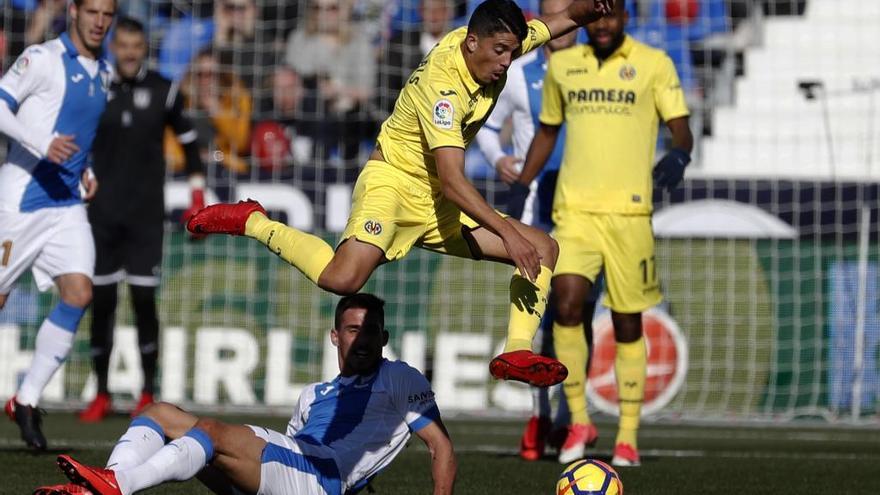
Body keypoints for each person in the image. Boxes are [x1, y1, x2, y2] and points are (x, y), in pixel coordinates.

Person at [188, 0, 615, 389]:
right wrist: (507, 231)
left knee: (543, 248)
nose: (506, 61)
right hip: (394, 183)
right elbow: (453, 180)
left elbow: (558, 22)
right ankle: (253, 221)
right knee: (343, 279)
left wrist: (590, 9)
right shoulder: (443, 90)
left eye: (512, 51)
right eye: (500, 51)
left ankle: (515, 350)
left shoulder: (494, 46)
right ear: (471, 44)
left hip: (436, 198)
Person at [34, 293, 458, 495]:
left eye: (370, 331)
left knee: (214, 431)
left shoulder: (399, 377)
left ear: (383, 337)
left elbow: (441, 448)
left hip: (321, 480)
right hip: (296, 471)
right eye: (352, 329)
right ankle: (97, 490)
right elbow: (286, 453)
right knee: (160, 412)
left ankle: (116, 486)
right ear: (334, 336)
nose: (362, 338)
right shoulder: (313, 394)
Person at [513, 0, 694, 466]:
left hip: (630, 217)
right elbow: (547, 133)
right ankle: (578, 421)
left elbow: (681, 127)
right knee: (567, 307)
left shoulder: (654, 64)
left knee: (626, 322)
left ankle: (628, 435)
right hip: (574, 214)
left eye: (613, 16)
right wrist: (520, 185)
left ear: (626, 18)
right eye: (598, 16)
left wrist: (678, 155)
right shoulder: (566, 67)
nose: (605, 25)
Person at [475, 0, 597, 462]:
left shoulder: (597, 70)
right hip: (537, 207)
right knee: (541, 314)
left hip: (588, 209)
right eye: (554, 9)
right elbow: (483, 125)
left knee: (581, 315)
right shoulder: (518, 72)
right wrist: (499, 159)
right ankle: (540, 414)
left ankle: (570, 417)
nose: (563, 19)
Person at [77, 16, 206, 423]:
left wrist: (198, 197)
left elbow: (189, 144)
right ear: (114, 47)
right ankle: (101, 393)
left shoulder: (164, 90)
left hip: (146, 217)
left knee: (145, 301)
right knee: (102, 304)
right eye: (124, 46)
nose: (130, 53)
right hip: (101, 215)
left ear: (144, 48)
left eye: (137, 46)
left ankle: (147, 391)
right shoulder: (95, 87)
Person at [0, 0, 116, 451]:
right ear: (73, 11)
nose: (100, 21)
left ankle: (25, 400)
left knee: (79, 292)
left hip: (67, 205)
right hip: (20, 202)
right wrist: (41, 142)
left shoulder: (102, 72)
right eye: (92, 12)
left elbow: (77, 137)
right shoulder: (42, 59)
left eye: (107, 13)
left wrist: (84, 170)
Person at [165, 47, 252, 176]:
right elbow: (170, 153)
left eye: (211, 74)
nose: (205, 81)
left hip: (227, 170)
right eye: (200, 74)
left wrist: (217, 112)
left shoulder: (238, 99)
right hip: (186, 171)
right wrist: (195, 157)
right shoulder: (180, 102)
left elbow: (240, 144)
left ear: (221, 76)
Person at [377, 0, 456, 116]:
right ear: (420, 12)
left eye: (439, 10)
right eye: (428, 10)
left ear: (449, 12)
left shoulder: (461, 43)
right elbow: (387, 90)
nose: (433, 16)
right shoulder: (400, 44)